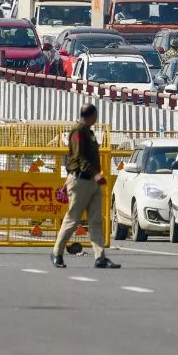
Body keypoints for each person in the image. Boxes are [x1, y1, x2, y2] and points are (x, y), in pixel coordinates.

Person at [51, 104, 121, 270]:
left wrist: (95, 175)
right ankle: (57, 252)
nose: (96, 119)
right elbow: (78, 156)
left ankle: (100, 257)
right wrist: (94, 173)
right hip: (80, 180)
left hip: (92, 181)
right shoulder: (78, 131)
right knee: (73, 219)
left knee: (96, 220)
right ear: (90, 115)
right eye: (95, 116)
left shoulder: (88, 132)